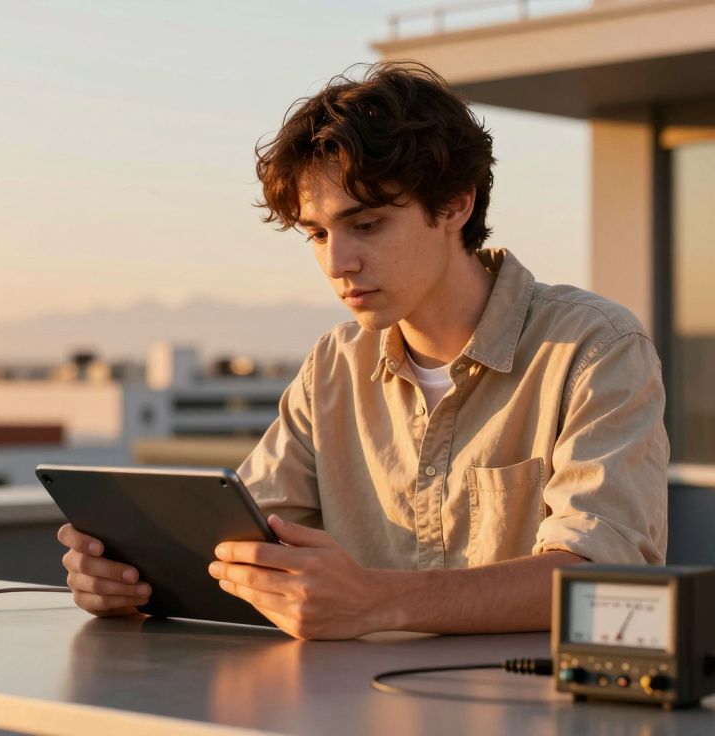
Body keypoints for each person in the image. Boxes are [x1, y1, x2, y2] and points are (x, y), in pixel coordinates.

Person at [57, 61, 668, 640]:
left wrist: (377, 600)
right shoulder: (334, 366)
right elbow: (243, 544)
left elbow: (605, 581)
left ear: (456, 204)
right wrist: (133, 577)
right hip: (352, 706)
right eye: (317, 233)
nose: (336, 263)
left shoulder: (595, 348)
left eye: (367, 224)